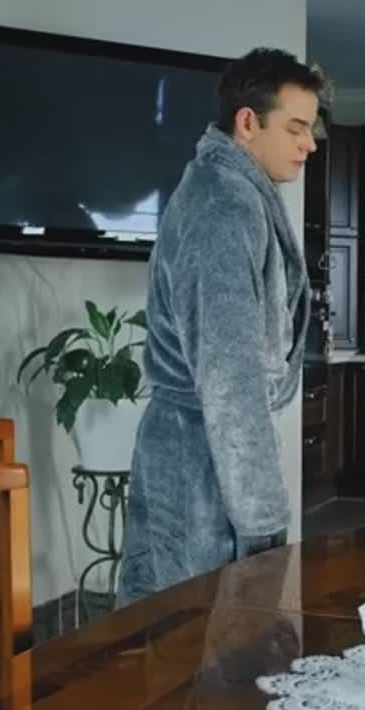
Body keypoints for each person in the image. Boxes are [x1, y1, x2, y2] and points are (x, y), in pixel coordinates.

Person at [116, 48, 324, 605]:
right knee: (202, 631)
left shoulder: (233, 191)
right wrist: (262, 523)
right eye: (296, 128)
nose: (309, 144)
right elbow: (230, 377)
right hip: (200, 457)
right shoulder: (223, 207)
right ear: (248, 123)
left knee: (185, 623)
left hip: (197, 447)